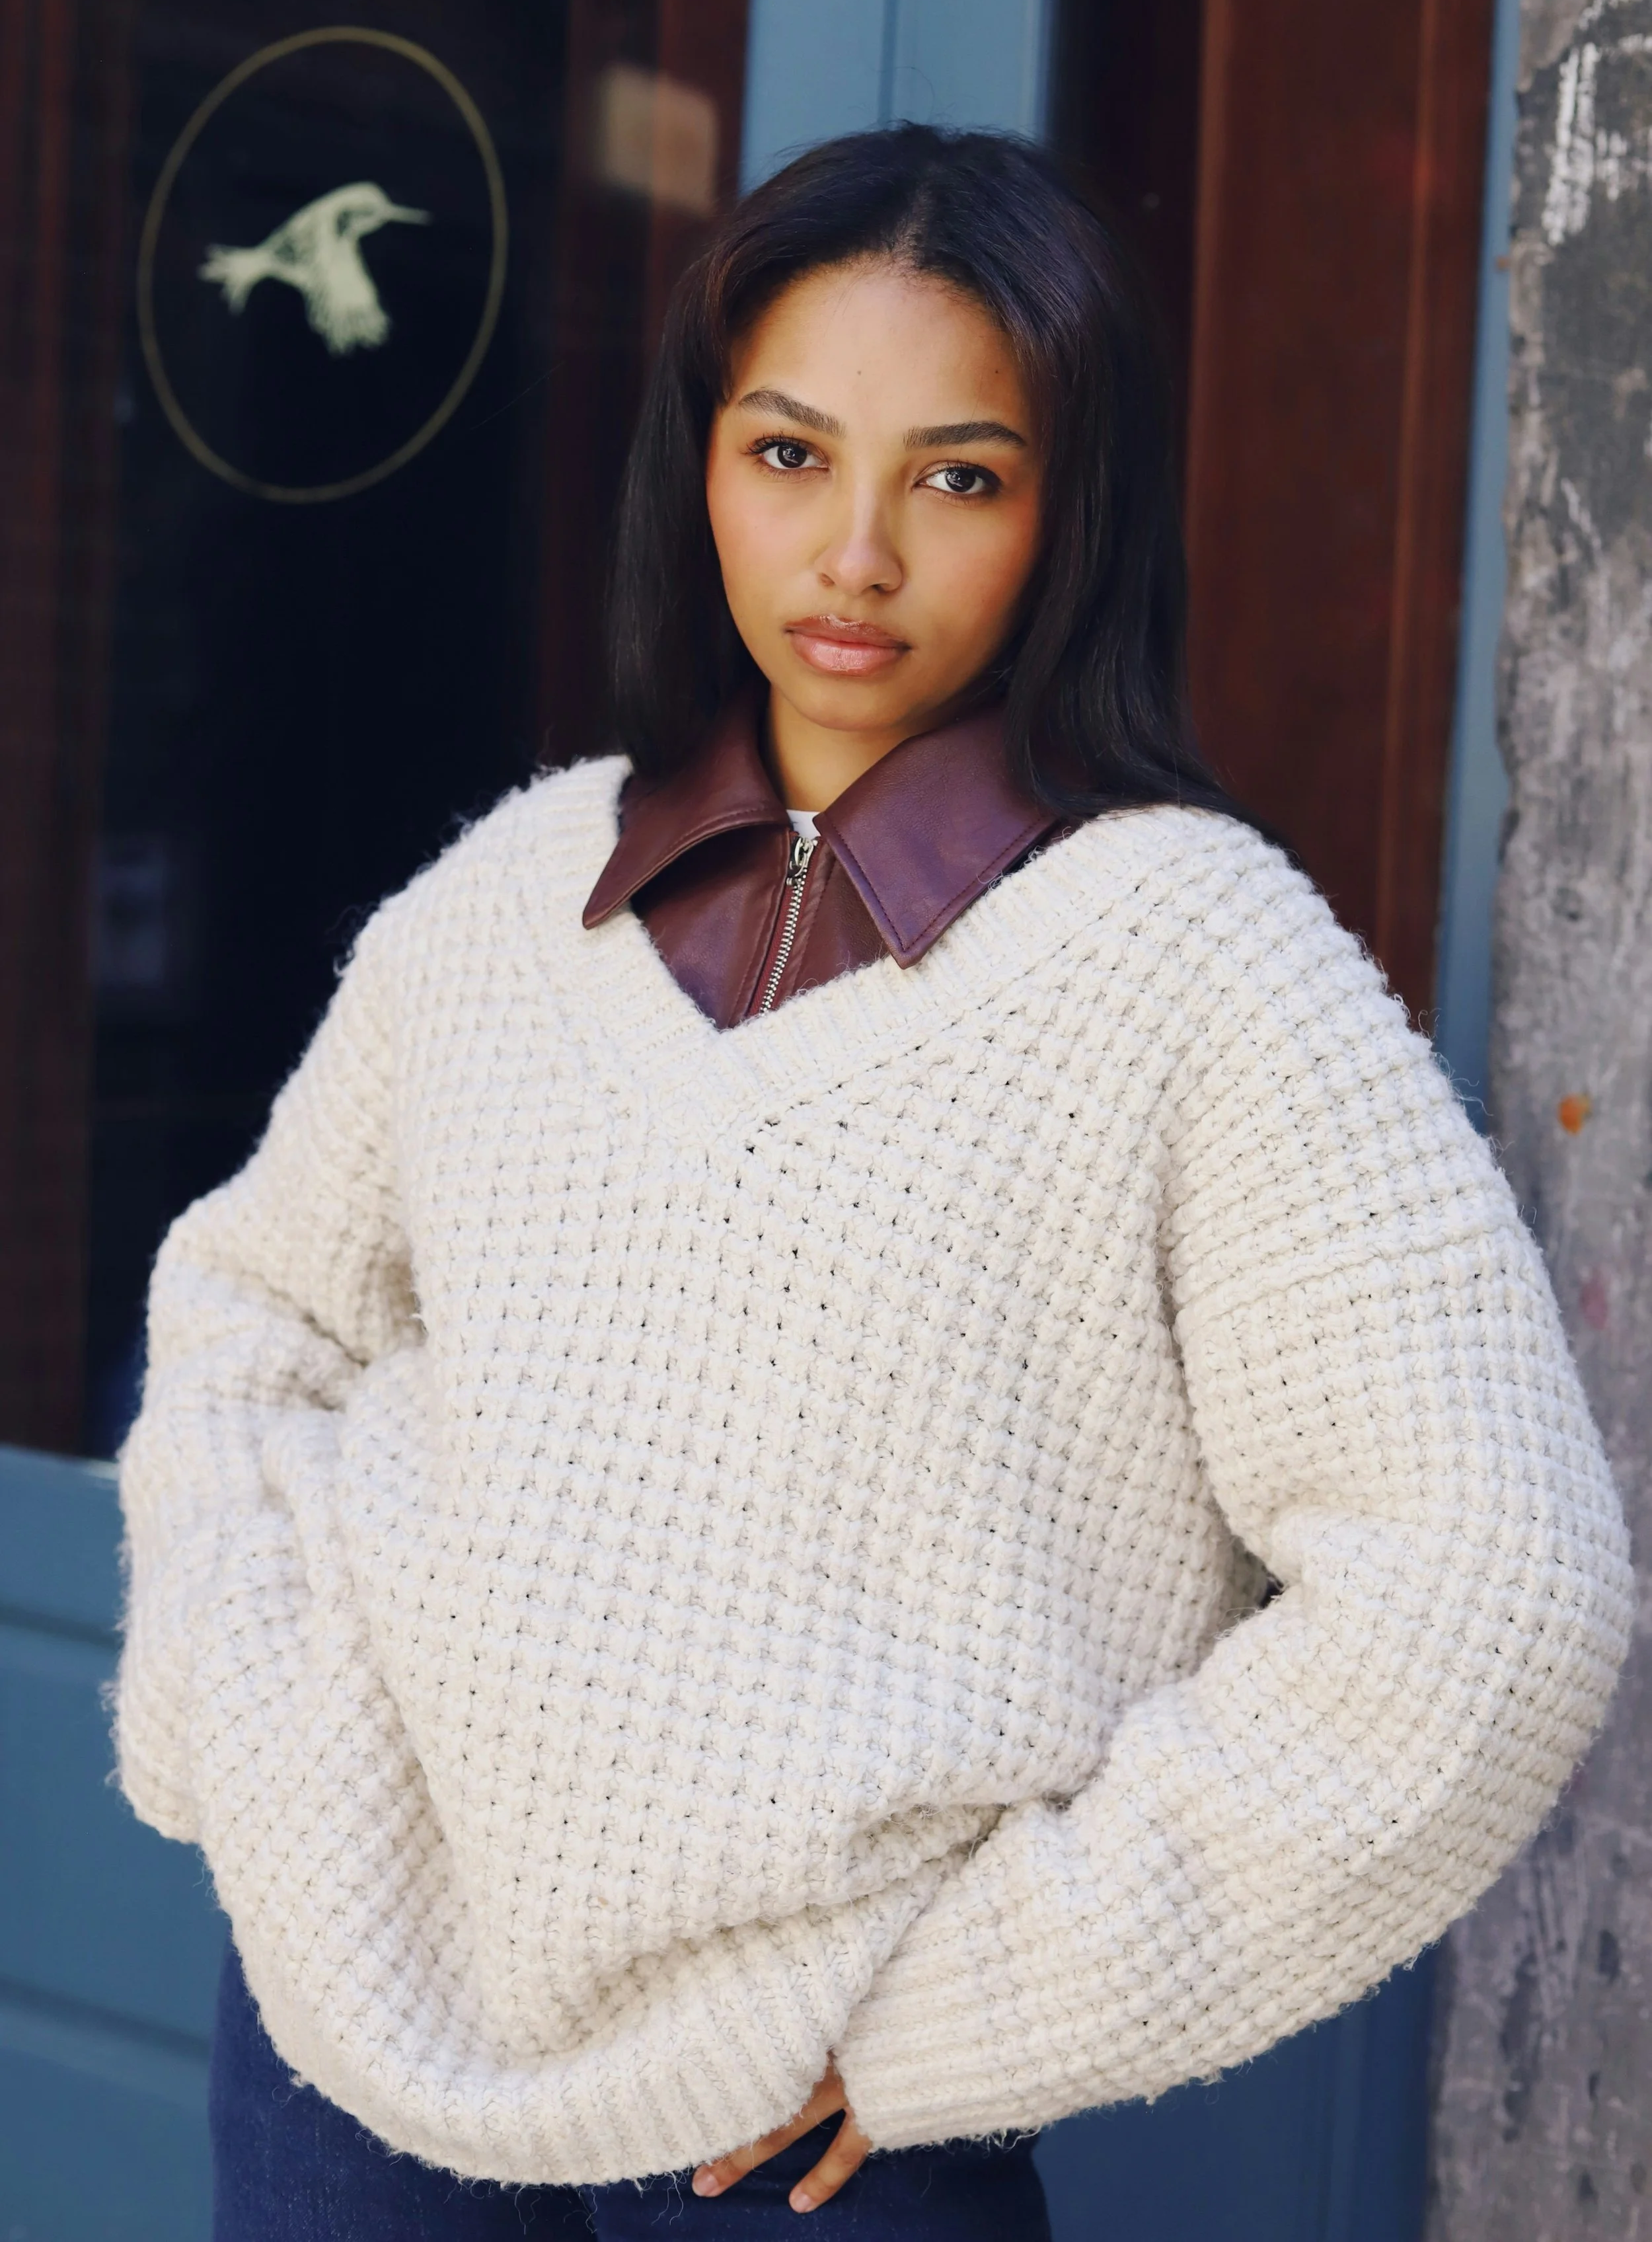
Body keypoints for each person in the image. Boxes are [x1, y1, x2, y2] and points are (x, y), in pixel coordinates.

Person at [115, 127, 1632, 2240]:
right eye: (787, 451)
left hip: (809, 2148)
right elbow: (255, 1310)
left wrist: (986, 2006)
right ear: (700, 463)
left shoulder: (1188, 957)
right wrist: (260, 1725)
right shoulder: (515, 888)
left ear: (1065, 510)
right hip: (346, 2049)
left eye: (956, 476)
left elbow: (1491, 1588)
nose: (851, 554)